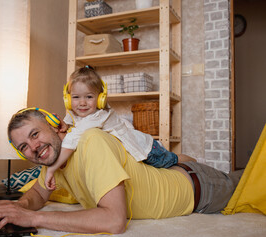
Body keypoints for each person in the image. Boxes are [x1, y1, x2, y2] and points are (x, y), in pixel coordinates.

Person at [0, 108, 243, 234]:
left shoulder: (90, 141)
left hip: (200, 187)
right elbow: (39, 195)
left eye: (35, 134)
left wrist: (33, 219)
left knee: (247, 182)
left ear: (57, 126)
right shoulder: (52, 163)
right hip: (176, 171)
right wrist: (19, 207)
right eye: (24, 146)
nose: (34, 147)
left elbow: (113, 221)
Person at [45, 66, 178, 190]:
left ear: (100, 99)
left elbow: (71, 141)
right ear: (68, 99)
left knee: (173, 162)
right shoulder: (77, 114)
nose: (82, 103)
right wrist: (62, 124)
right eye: (76, 97)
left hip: (147, 150)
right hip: (136, 147)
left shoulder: (97, 116)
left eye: (89, 97)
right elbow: (72, 124)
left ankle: (191, 160)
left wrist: (52, 169)